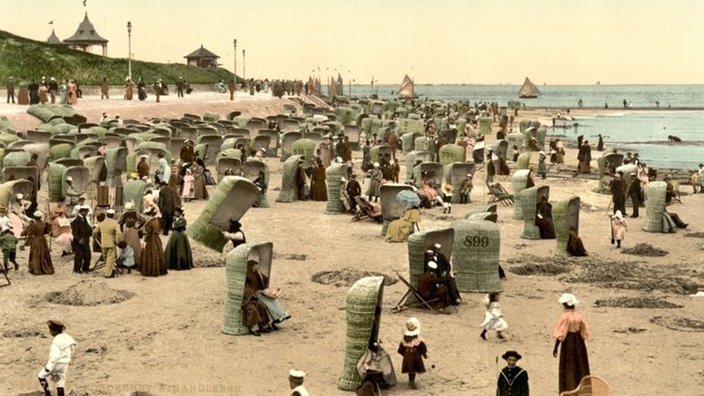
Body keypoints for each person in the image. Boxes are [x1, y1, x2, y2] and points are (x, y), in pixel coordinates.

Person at [553, 293, 591, 394]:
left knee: (568, 366)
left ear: (565, 305)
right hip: (579, 342)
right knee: (580, 365)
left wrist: (556, 347)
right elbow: (584, 332)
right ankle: (582, 389)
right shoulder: (579, 316)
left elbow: (561, 333)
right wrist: (580, 341)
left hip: (568, 343)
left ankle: (568, 389)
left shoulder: (565, 317)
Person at [245, 260, 291, 328]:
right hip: (254, 294)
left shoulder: (257, 273)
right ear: (250, 267)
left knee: (273, 301)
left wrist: (260, 275)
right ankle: (274, 320)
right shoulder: (247, 275)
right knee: (268, 304)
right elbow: (247, 287)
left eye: (256, 266)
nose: (256, 267)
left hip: (262, 292)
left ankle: (282, 315)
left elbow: (265, 280)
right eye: (254, 266)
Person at [38, 320, 76, 396]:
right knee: (60, 382)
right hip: (65, 364)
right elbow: (72, 349)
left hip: (56, 364)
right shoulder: (68, 337)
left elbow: (54, 357)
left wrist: (48, 368)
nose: (50, 332)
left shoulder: (56, 342)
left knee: (41, 375)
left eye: (50, 330)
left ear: (54, 331)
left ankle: (47, 394)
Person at [397, 317, 427, 389]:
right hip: (415, 356)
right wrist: (424, 354)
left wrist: (405, 355)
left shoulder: (404, 340)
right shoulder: (418, 340)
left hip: (407, 356)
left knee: (410, 369)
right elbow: (422, 347)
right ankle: (412, 381)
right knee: (414, 369)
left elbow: (401, 349)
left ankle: (410, 380)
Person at [22, 211, 54, 275]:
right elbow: (46, 232)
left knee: (35, 254)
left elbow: (26, 232)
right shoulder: (43, 224)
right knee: (43, 254)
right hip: (42, 240)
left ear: (35, 217)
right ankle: (44, 267)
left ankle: (36, 269)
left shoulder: (33, 224)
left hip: (36, 240)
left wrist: (24, 232)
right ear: (40, 217)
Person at [93, 209, 122, 278]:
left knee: (106, 259)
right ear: (113, 215)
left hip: (103, 243)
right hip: (111, 243)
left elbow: (94, 232)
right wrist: (117, 241)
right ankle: (108, 274)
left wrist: (95, 238)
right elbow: (119, 233)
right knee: (110, 259)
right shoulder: (115, 223)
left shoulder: (102, 223)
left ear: (107, 215)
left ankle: (111, 270)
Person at [141, 207, 167, 277]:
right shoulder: (156, 220)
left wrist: (145, 241)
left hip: (151, 239)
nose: (145, 217)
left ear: (149, 215)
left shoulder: (150, 223)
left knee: (150, 254)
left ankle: (150, 270)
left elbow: (149, 233)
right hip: (156, 238)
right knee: (157, 253)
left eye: (146, 215)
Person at [70, 206, 92, 274]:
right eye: (85, 211)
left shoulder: (85, 219)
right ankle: (77, 269)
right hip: (79, 242)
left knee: (87, 255)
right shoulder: (76, 221)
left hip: (86, 240)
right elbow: (74, 232)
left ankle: (85, 268)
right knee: (79, 256)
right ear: (82, 212)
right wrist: (79, 239)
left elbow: (88, 229)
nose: (86, 213)